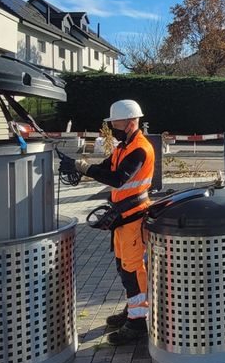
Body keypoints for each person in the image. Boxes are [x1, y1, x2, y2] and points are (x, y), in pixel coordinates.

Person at [58, 99, 155, 345]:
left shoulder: (140, 149)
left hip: (134, 215)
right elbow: (103, 167)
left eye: (117, 122)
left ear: (131, 122)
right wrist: (77, 166)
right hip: (123, 217)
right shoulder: (124, 147)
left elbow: (118, 179)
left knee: (133, 270)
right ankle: (132, 309)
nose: (113, 127)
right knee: (124, 267)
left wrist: (82, 166)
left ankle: (137, 322)